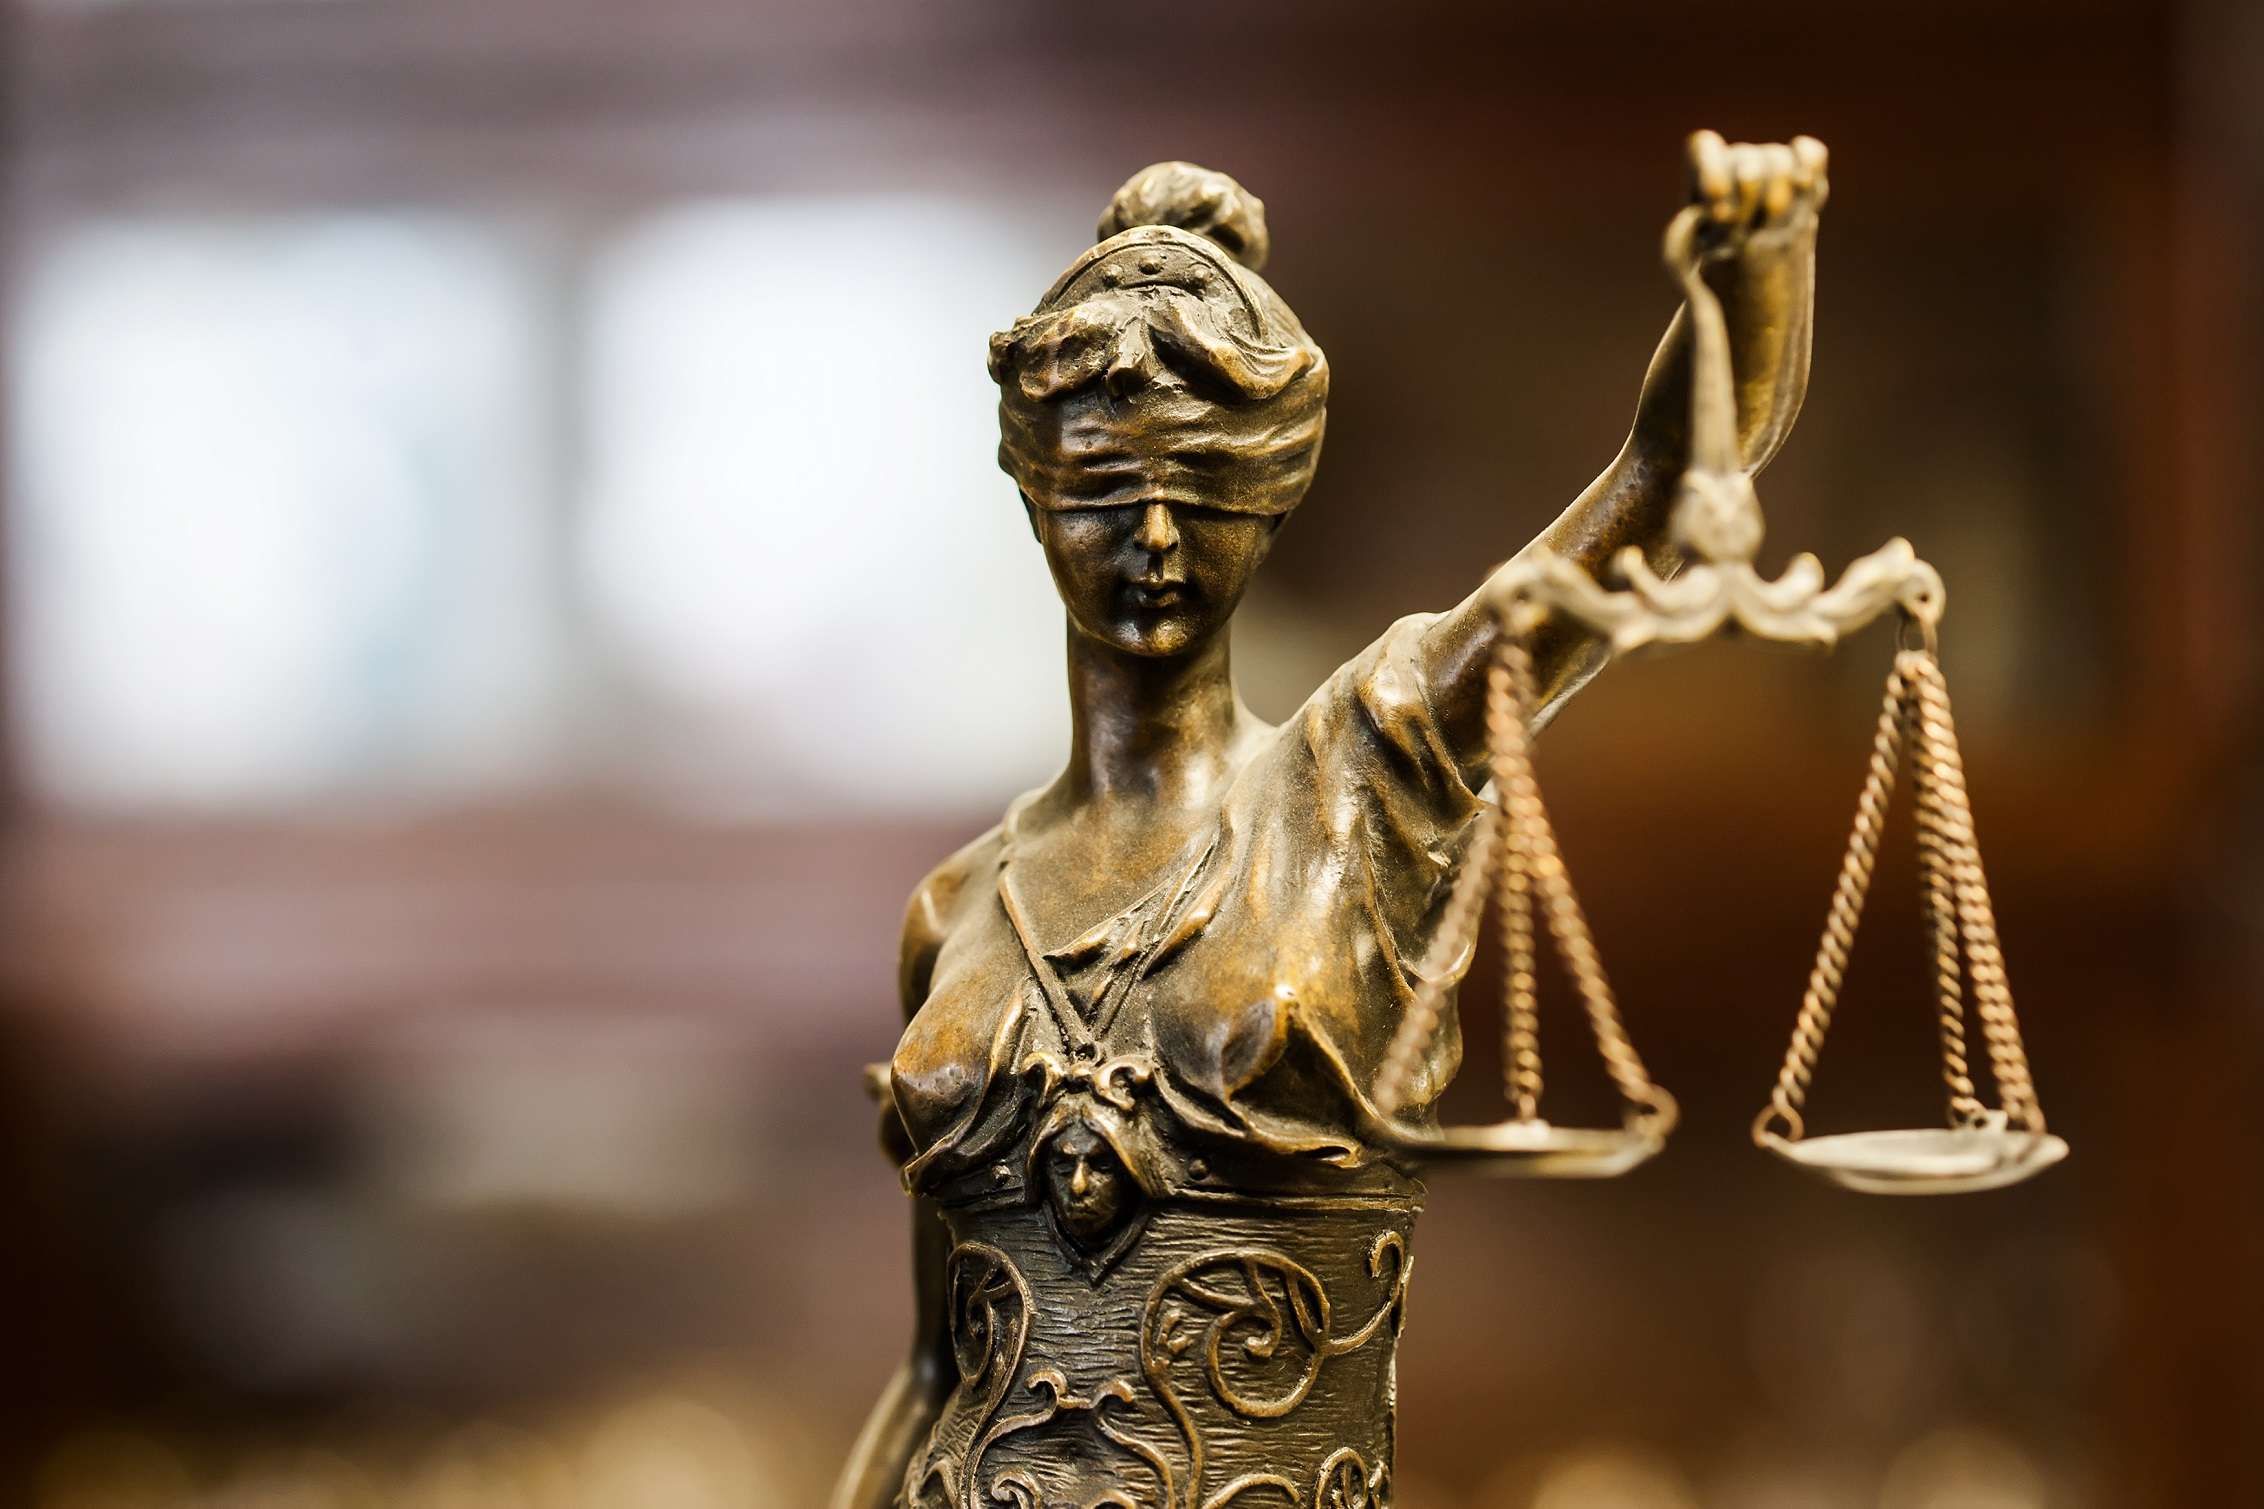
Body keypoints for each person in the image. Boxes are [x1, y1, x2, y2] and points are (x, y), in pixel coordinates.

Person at [836, 135, 1828, 1509]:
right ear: (1038, 493)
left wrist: (1751, 284)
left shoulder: (1364, 775)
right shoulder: (954, 910)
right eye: (1110, 501)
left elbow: (1657, 489)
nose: (1160, 547)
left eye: (1207, 500)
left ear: (1275, 495)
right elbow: (937, 1371)